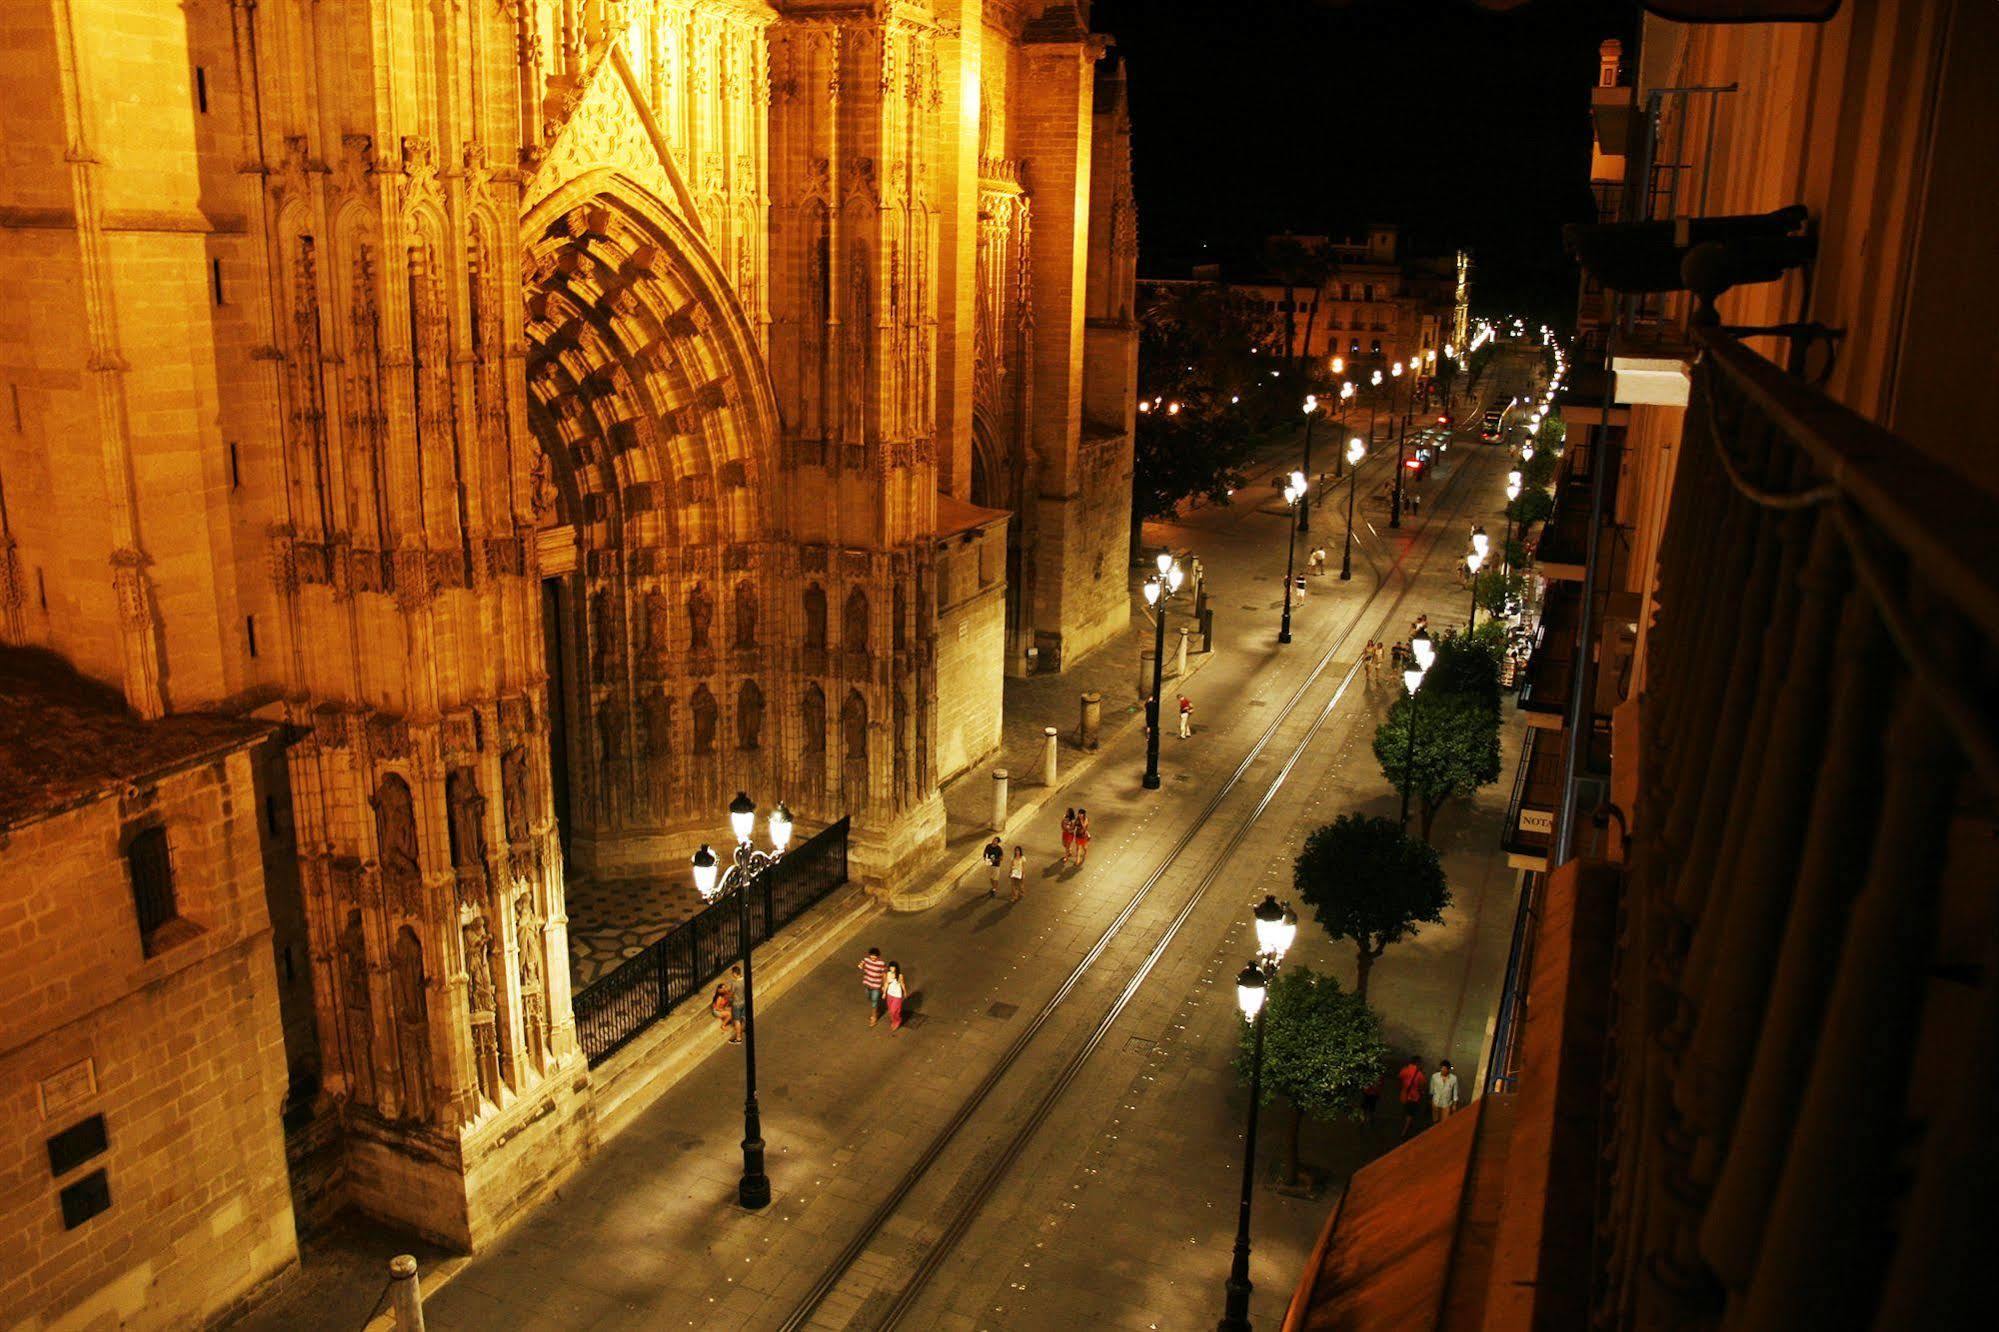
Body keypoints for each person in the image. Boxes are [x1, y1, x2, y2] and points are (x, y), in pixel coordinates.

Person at [711, 967, 743, 1044]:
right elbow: (717, 1008)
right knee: (730, 1014)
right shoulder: (719, 997)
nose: (725, 988)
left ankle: (736, 1025)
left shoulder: (726, 994)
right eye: (723, 988)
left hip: (723, 1009)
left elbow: (730, 993)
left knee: (733, 1011)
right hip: (717, 1011)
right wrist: (724, 1010)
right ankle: (723, 1025)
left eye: (725, 987)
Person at [1397, 1054, 1426, 1139]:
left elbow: (1399, 1077)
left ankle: (1401, 1128)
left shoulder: (1405, 1069)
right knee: (1410, 1114)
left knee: (1404, 1111)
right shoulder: (1420, 1074)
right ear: (1418, 1062)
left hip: (1404, 1095)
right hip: (1414, 1097)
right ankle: (1404, 1132)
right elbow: (1422, 1085)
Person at [859, 947, 888, 1028]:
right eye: (872, 955)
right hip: (867, 984)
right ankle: (876, 1009)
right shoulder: (866, 960)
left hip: (876, 986)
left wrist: (884, 984)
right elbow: (862, 963)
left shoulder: (881, 963)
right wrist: (861, 965)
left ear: (878, 956)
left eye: (875, 956)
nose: (873, 957)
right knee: (869, 997)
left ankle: (874, 1017)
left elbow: (884, 974)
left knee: (874, 1002)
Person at [1429, 1059, 1461, 1124]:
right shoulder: (1434, 1076)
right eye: (1442, 1068)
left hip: (1446, 1104)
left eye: (1444, 1069)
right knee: (1435, 1122)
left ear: (1448, 1069)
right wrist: (1431, 1101)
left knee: (1444, 1122)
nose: (1442, 1070)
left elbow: (1455, 1093)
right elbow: (1431, 1090)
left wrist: (1454, 1105)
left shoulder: (1454, 1078)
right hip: (1436, 1102)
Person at [884, 962, 907, 1032]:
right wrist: (884, 993)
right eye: (890, 967)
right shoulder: (888, 974)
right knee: (890, 1010)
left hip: (897, 995)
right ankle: (894, 1020)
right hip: (889, 994)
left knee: (894, 1010)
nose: (892, 969)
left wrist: (905, 992)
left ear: (896, 968)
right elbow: (886, 983)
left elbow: (902, 984)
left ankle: (897, 1020)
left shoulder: (900, 976)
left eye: (893, 967)